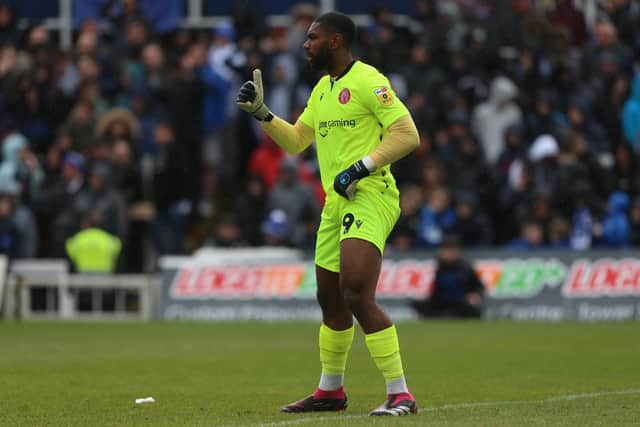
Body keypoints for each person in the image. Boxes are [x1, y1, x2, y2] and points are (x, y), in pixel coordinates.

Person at [236, 11, 420, 416]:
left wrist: (361, 167)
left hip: (370, 193)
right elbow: (298, 141)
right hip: (335, 203)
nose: (305, 44)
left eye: (313, 37)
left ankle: (400, 393)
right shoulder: (322, 89)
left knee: (356, 292)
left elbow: (408, 134)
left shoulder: (369, 80)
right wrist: (262, 114)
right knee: (331, 299)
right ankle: (330, 391)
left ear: (335, 41)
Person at [412, 235, 484, 318]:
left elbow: (479, 287)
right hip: (441, 302)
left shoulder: (465, 268)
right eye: (445, 250)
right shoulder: (438, 267)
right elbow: (434, 291)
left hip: (460, 302)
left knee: (471, 309)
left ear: (456, 251)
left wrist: (475, 295)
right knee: (418, 304)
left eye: (450, 250)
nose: (447, 253)